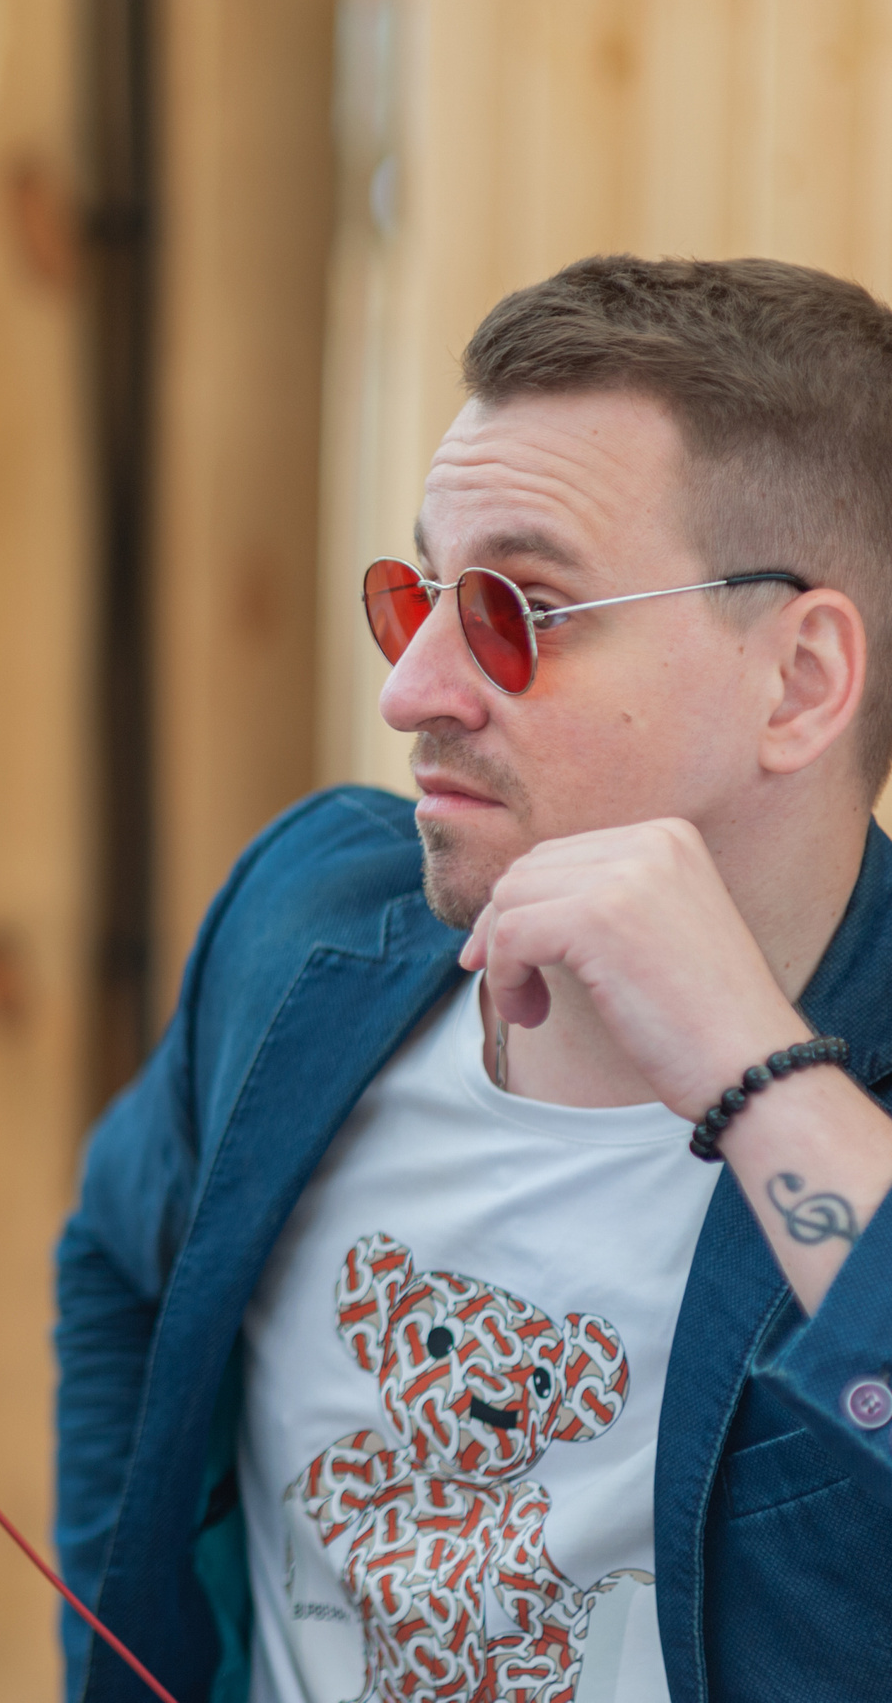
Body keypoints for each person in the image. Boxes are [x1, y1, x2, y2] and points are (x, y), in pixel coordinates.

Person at [57, 255, 892, 1703]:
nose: (413, 690)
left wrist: (758, 1070)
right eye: (417, 595)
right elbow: (124, 1265)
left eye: (518, 608)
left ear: (802, 681)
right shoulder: (308, 910)